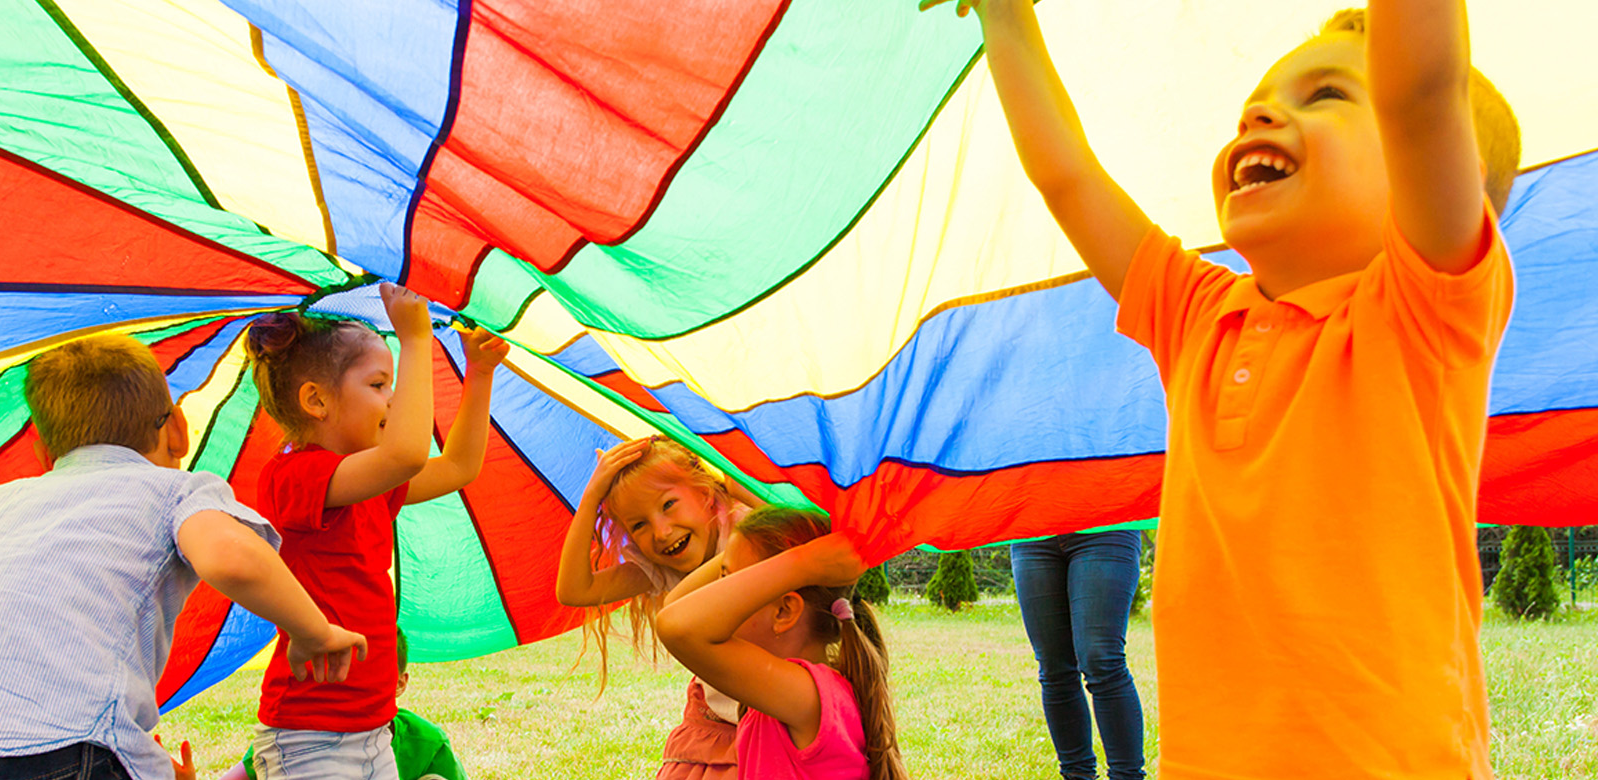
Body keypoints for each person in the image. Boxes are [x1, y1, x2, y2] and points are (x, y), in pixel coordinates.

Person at [936, 0, 1520, 775]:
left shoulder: (1425, 312)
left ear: (1447, 169)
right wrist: (1006, 15)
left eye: (1328, 96)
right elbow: (1068, 177)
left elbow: (1422, 90)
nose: (1264, 115)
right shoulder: (1196, 317)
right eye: (1258, 105)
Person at [0, 334, 366, 780]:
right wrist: (313, 631)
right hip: (48, 752)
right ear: (178, 429)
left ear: (45, 453)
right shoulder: (171, 489)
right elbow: (231, 559)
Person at [243, 283, 507, 780]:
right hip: (310, 735)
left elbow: (457, 466)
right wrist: (414, 342)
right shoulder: (294, 477)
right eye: (379, 385)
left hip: (372, 727)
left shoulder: (371, 484)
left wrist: (481, 374)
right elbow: (406, 453)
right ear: (316, 400)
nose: (393, 399)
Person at [555, 435, 762, 779]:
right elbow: (574, 590)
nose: (662, 532)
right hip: (720, 731)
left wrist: (724, 471)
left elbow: (792, 520)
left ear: (705, 492)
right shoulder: (659, 569)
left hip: (782, 717)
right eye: (639, 525)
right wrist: (592, 495)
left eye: (668, 504)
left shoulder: (745, 526)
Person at [657, 507, 906, 780]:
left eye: (730, 580)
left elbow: (678, 626)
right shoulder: (797, 692)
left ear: (784, 611)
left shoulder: (809, 698)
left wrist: (805, 563)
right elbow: (676, 607)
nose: (715, 593)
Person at [220, 628, 466, 780]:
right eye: (343, 678)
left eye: (372, 677)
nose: (356, 692)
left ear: (399, 684)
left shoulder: (427, 744)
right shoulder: (295, 739)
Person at [1010, 531, 1144, 780]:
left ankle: (1127, 776)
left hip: (1105, 527)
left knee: (1100, 658)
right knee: (1054, 667)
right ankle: (1076, 774)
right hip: (1034, 532)